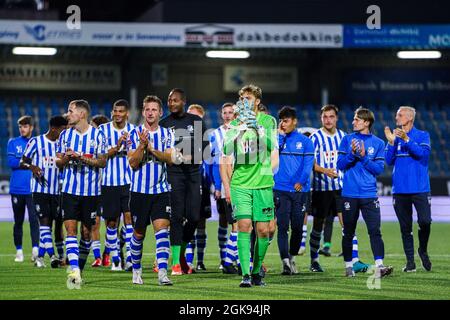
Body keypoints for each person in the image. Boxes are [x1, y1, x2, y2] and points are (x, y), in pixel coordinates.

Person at [222, 84, 278, 287]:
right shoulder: (235, 123)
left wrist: (257, 129)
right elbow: (226, 148)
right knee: (244, 227)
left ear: (257, 101)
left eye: (249, 98)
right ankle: (245, 274)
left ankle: (256, 271)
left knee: (263, 230)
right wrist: (240, 129)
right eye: (242, 98)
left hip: (263, 184)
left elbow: (272, 146)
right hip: (241, 184)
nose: (245, 101)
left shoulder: (268, 121)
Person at [309, 105, 368, 273]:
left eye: (331, 116)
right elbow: (310, 163)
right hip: (321, 190)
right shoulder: (315, 138)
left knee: (347, 224)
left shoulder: (344, 137)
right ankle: (314, 261)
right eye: (325, 117)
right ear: (321, 119)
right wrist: (324, 170)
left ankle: (354, 261)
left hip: (342, 189)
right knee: (318, 226)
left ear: (336, 118)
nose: (328, 120)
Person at [337, 107, 393, 278]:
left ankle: (379, 265)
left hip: (369, 195)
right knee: (348, 231)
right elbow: (340, 165)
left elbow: (378, 170)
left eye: (357, 119)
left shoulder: (378, 143)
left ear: (366, 122)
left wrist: (363, 156)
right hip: (350, 194)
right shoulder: (347, 140)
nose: (353, 122)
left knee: (375, 230)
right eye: (354, 119)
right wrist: (352, 155)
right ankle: (348, 267)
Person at [56, 100, 107, 287]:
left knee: (86, 235)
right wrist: (65, 159)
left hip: (91, 192)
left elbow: (102, 162)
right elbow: (58, 162)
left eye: (71, 111)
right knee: (70, 230)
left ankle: (79, 268)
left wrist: (81, 157)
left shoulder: (98, 135)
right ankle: (75, 272)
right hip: (69, 190)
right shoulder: (65, 135)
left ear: (82, 114)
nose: (68, 114)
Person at [159, 88, 209, 275]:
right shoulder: (164, 124)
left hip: (194, 174)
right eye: (169, 100)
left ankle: (180, 253)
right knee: (177, 217)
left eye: (175, 100)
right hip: (174, 175)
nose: (171, 103)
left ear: (184, 102)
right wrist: (172, 156)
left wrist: (188, 156)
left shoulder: (195, 121)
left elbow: (205, 149)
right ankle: (176, 263)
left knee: (194, 217)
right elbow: (161, 150)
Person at [127, 95, 174, 286]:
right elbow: (133, 162)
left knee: (162, 231)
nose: (150, 112)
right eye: (147, 109)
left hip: (161, 191)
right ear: (143, 111)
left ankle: (162, 272)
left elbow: (171, 159)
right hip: (139, 192)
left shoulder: (168, 134)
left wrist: (152, 149)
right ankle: (136, 270)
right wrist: (141, 145)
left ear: (160, 113)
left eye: (154, 109)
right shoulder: (134, 133)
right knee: (138, 234)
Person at [384, 106, 432, 272]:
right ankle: (410, 262)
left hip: (420, 188)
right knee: (405, 227)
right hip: (400, 189)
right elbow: (388, 161)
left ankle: (423, 250)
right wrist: (391, 142)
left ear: (409, 118)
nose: (396, 117)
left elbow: (422, 155)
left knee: (425, 221)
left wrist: (406, 140)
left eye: (400, 115)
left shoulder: (422, 135)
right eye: (397, 114)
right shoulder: (395, 137)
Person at [20, 115, 68, 268]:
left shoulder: (62, 145)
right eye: (62, 130)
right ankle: (53, 256)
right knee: (45, 222)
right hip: (39, 190)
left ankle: (40, 257)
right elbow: (23, 162)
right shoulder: (36, 142)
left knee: (51, 225)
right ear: (54, 129)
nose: (64, 133)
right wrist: (32, 167)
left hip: (56, 191)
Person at [274, 106, 314, 275]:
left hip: (300, 190)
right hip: (280, 189)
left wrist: (301, 181)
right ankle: (285, 262)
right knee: (282, 227)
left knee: (297, 227)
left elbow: (308, 165)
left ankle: (292, 257)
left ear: (295, 121)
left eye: (286, 120)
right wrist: (280, 139)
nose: (283, 124)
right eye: (281, 121)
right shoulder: (276, 140)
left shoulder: (305, 141)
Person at [97, 100, 135, 271]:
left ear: (127, 113)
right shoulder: (102, 130)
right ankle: (115, 259)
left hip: (129, 183)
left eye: (121, 111)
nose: (117, 114)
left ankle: (129, 258)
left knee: (129, 222)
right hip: (108, 183)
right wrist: (117, 146)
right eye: (115, 111)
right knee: (111, 223)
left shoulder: (134, 130)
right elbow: (99, 155)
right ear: (112, 112)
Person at [7, 115, 39, 263]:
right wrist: (29, 164)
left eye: (25, 126)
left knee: (34, 221)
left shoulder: (37, 143)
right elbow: (11, 162)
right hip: (17, 188)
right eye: (20, 126)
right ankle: (19, 251)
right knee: (18, 221)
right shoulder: (13, 142)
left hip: (33, 189)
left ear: (31, 127)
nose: (22, 129)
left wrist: (24, 162)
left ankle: (35, 250)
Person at [212, 103, 239, 274]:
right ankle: (229, 260)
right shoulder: (216, 134)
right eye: (225, 112)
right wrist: (219, 186)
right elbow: (215, 163)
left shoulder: (241, 131)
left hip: (242, 183)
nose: (228, 115)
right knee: (235, 224)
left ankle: (230, 260)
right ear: (221, 114)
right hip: (227, 185)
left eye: (231, 112)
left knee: (238, 224)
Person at [185, 104, 212, 271]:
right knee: (185, 221)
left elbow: (209, 161)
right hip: (182, 183)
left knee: (200, 222)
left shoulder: (206, 137)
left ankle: (200, 261)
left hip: (200, 183)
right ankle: (186, 261)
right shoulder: (179, 135)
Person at [88, 114, 111, 267]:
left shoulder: (106, 143)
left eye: (92, 125)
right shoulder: (91, 143)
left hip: (109, 188)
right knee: (94, 223)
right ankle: (98, 256)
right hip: (95, 189)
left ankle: (108, 254)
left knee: (111, 224)